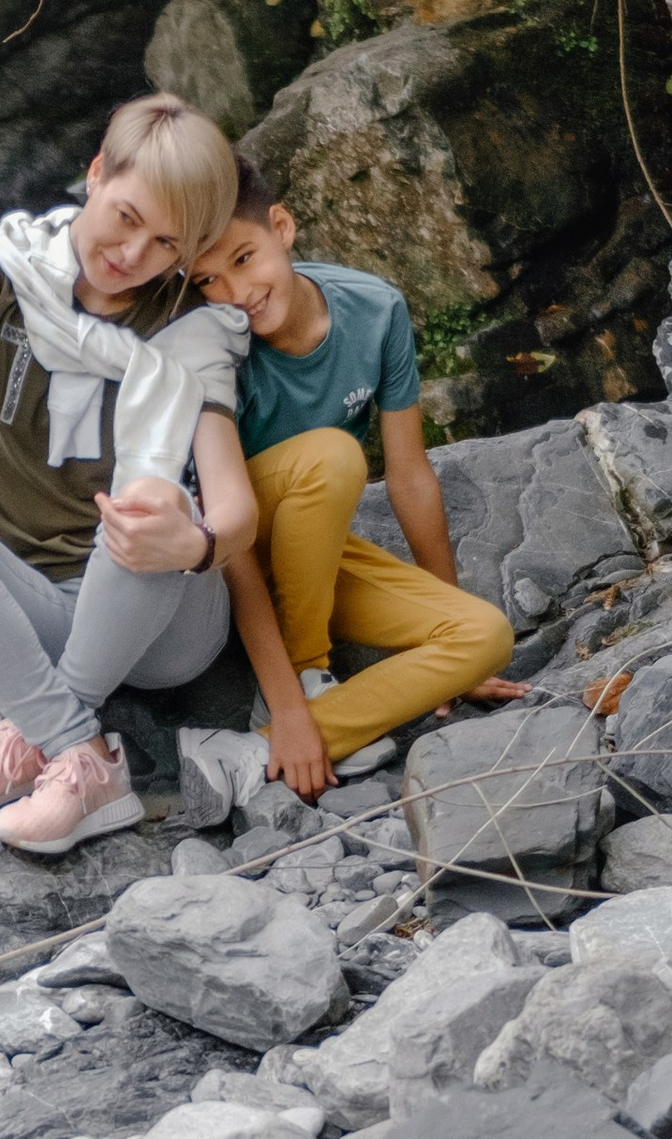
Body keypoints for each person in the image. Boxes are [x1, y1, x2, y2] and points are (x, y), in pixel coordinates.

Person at [0, 93, 258, 855]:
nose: (134, 253)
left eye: (167, 242)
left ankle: (29, 737)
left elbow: (236, 509)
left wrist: (194, 544)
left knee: (148, 497)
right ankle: (81, 758)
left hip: (162, 622)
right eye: (127, 216)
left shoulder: (189, 330)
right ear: (97, 173)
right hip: (33, 610)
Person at [185, 159, 517, 803]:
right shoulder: (215, 354)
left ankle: (252, 753)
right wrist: (287, 694)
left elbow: (411, 476)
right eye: (207, 282)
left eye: (245, 259)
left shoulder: (374, 308)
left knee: (485, 636)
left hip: (314, 555)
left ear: (282, 227)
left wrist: (444, 612)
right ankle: (305, 678)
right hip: (225, 562)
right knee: (334, 456)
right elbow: (223, 540)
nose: (235, 292)